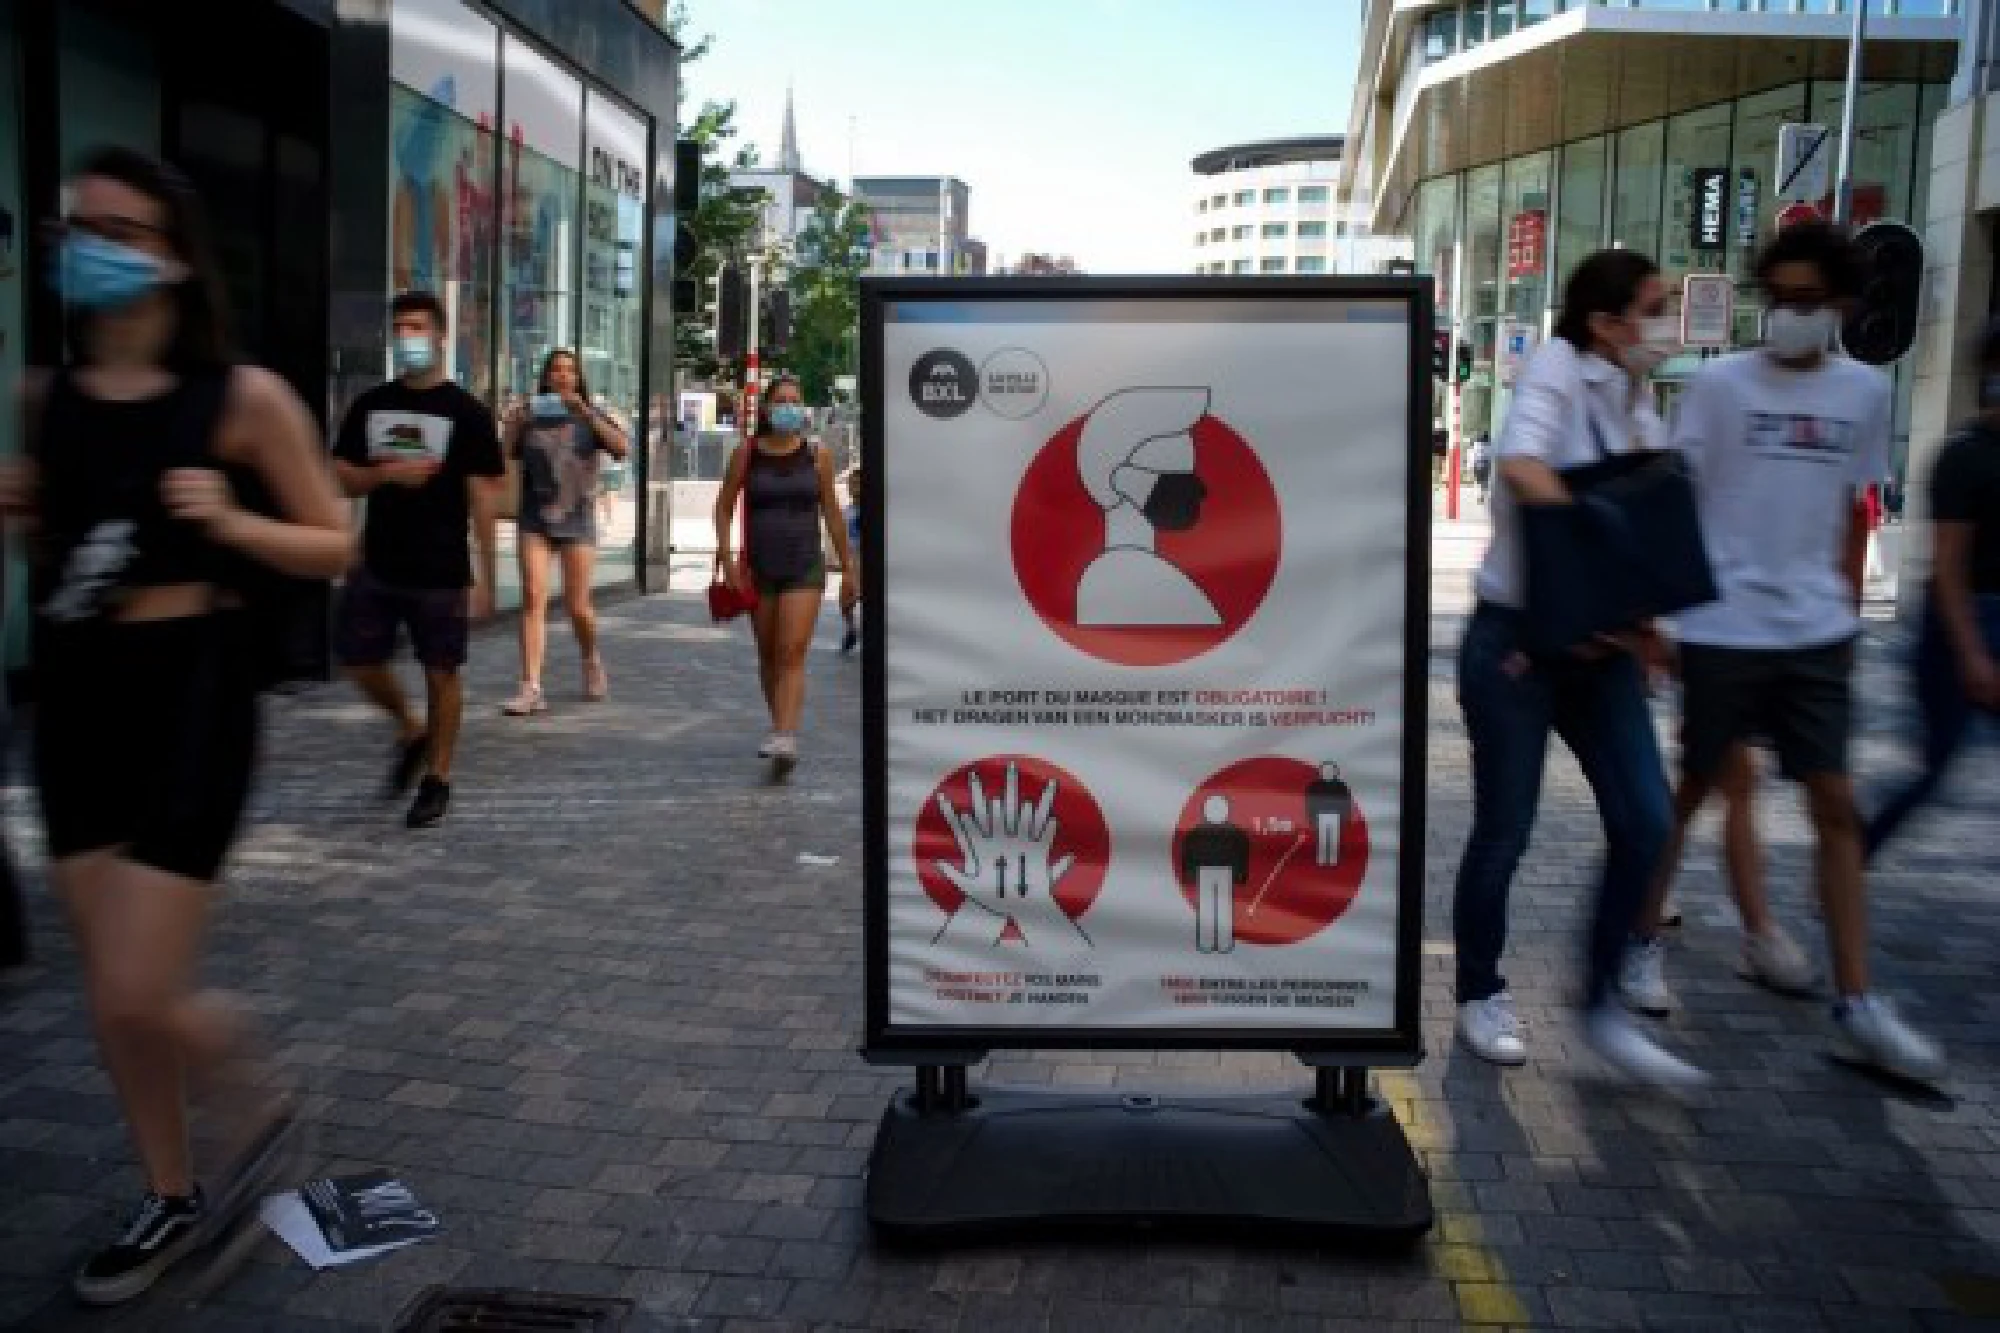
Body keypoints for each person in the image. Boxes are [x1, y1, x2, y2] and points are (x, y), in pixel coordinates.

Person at [6, 146, 351, 1302]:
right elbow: (60, 551)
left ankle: (260, 1103)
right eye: (76, 227)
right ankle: (168, 1190)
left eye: (119, 228)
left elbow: (331, 542)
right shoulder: (39, 399)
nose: (88, 246)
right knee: (110, 988)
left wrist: (233, 522)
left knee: (140, 986)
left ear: (172, 258)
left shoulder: (240, 399)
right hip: (75, 693)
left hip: (190, 693)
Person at [1625, 221, 1943, 1084]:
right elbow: (1675, 505)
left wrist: (1843, 614)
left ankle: (1857, 1002)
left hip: (1815, 636)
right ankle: (1641, 942)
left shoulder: (1864, 393)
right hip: (1725, 627)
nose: (1792, 316)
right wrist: (1662, 620)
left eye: (1810, 301)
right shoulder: (1722, 388)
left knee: (1835, 804)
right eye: (1782, 299)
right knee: (1690, 794)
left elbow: (1851, 513)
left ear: (1840, 305)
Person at [1450, 247, 1704, 1090]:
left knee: (1646, 820)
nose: (1666, 322)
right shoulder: (1558, 370)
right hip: (1519, 645)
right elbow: (1523, 467)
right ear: (1605, 322)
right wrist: (1605, 541)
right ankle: (1480, 989)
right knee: (1504, 835)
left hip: (1605, 656)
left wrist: (1646, 624)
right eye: (1654, 306)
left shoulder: (1639, 401)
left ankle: (1604, 996)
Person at [332, 290, 504, 828]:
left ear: (440, 336)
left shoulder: (467, 413)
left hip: (440, 566)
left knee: (442, 672)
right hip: (378, 559)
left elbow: (484, 496)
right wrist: (384, 475)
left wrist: (486, 576)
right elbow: (340, 474)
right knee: (358, 659)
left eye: (418, 328)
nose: (409, 338)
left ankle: (438, 778)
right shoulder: (371, 405)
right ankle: (409, 728)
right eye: (401, 328)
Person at [1865, 319, 2000, 859]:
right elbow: (1947, 564)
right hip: (1961, 625)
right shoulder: (1966, 455)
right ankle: (1852, 851)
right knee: (1933, 768)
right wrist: (1971, 653)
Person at [713, 377, 857, 771]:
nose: (788, 407)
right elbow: (723, 506)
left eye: (795, 401)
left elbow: (832, 513)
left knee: (791, 652)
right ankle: (780, 724)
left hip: (804, 566)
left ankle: (785, 734)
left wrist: (849, 567)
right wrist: (727, 560)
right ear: (765, 409)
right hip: (759, 567)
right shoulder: (747, 453)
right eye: (781, 401)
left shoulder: (817, 455)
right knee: (769, 654)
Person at [498, 349, 627, 715]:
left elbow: (621, 448)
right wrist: (513, 423)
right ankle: (530, 686)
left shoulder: (590, 415)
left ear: (579, 378)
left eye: (571, 371)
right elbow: (505, 455)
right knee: (533, 596)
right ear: (546, 377)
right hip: (535, 518)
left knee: (578, 606)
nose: (563, 376)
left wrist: (587, 413)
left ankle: (590, 657)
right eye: (556, 370)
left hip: (577, 519)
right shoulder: (532, 415)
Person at [1072, 387, 1217, 627]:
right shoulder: (1126, 578)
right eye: (1180, 479)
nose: (1199, 491)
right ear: (1125, 480)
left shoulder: (1128, 573)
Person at [1183, 794, 1250, 954]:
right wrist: (1190, 875)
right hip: (1206, 872)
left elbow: (1242, 855)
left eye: (1219, 809)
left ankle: (1222, 943)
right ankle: (1208, 943)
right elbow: (1189, 856)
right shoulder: (1196, 832)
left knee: (1223, 909)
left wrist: (1240, 875)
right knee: (1208, 909)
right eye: (1213, 809)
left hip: (1222, 873)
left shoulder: (1235, 833)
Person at [840, 465, 863, 657]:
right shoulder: (846, 511)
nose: (851, 487)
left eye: (856, 484)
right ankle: (852, 629)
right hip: (851, 560)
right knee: (845, 601)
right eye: (850, 483)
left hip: (866, 560)